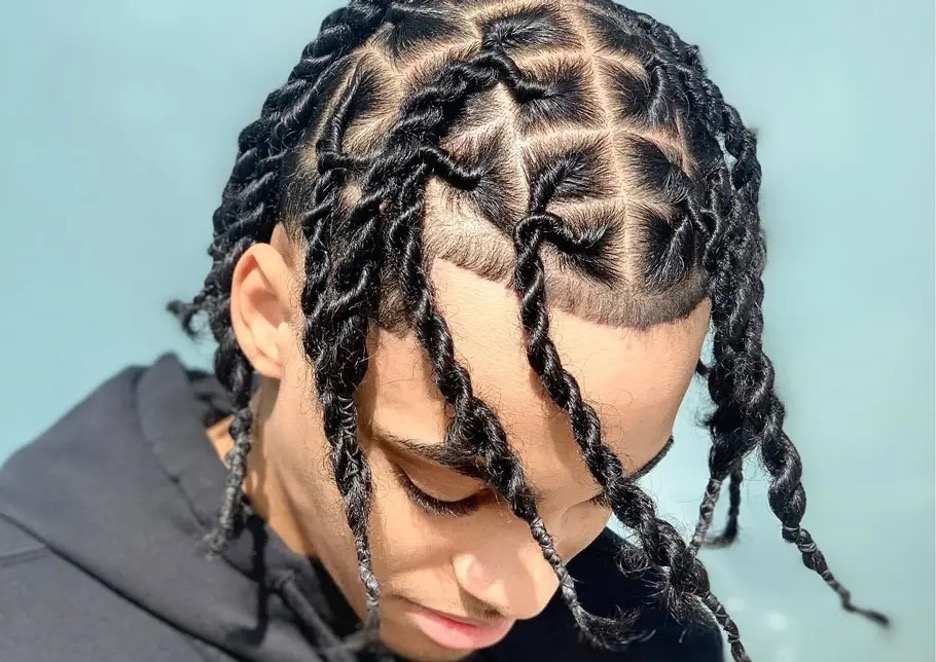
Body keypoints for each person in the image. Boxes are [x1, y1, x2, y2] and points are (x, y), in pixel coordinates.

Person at [0, 1, 889, 661]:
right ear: (271, 316)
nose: (528, 589)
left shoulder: (645, 640)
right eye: (447, 487)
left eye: (604, 494)